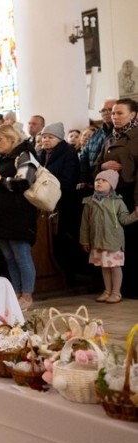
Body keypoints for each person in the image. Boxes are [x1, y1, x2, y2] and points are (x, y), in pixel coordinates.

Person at [0, 124, 38, 311]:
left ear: (12, 139)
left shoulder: (24, 155)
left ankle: (27, 295)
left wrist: (1, 181)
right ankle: (17, 293)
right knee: (9, 257)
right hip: (0, 215)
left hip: (19, 214)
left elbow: (25, 181)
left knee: (22, 256)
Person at [97, 97, 138, 297]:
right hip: (112, 197)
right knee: (117, 243)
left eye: (120, 113)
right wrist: (102, 166)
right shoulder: (109, 138)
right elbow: (95, 167)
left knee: (133, 241)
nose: (115, 116)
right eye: (113, 113)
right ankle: (119, 288)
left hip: (131, 194)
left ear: (133, 115)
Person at [80, 170, 138, 303]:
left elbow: (124, 220)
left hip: (113, 242)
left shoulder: (117, 202)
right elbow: (85, 224)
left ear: (112, 185)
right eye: (97, 180)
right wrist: (84, 240)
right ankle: (107, 291)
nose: (99, 182)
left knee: (115, 267)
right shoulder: (89, 202)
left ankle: (116, 292)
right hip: (98, 241)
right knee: (104, 267)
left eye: (104, 180)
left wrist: (135, 215)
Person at [38, 122, 83, 281]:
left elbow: (68, 180)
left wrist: (47, 190)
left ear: (59, 139)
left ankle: (67, 275)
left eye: (50, 137)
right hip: (45, 203)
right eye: (44, 137)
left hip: (64, 203)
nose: (45, 140)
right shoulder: (41, 154)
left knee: (64, 240)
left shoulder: (68, 153)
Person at [81, 99, 116, 186]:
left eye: (110, 109)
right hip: (93, 181)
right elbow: (84, 156)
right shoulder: (96, 133)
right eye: (103, 110)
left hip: (113, 182)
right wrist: (84, 179)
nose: (106, 113)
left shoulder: (121, 133)